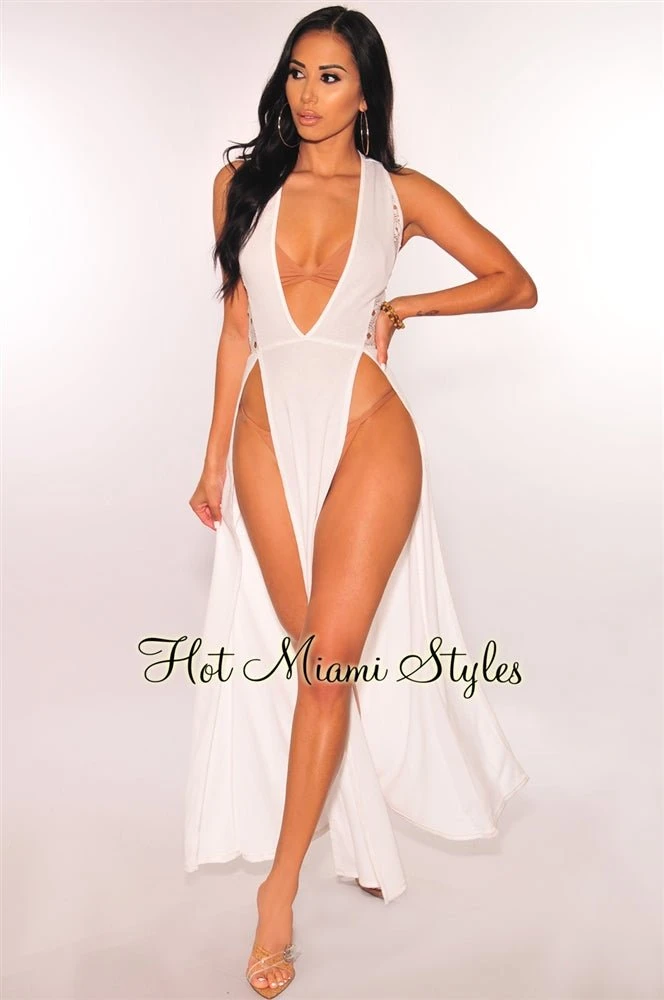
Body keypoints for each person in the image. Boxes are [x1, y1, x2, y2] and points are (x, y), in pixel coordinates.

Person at [186, 6, 537, 997]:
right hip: (266, 431)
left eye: (331, 77)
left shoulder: (399, 194)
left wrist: (408, 304)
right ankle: (350, 816)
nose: (307, 93)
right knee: (316, 660)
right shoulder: (239, 185)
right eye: (297, 72)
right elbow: (237, 327)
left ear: (366, 94)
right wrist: (211, 463)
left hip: (371, 431)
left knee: (327, 666)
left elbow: (513, 282)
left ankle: (277, 891)